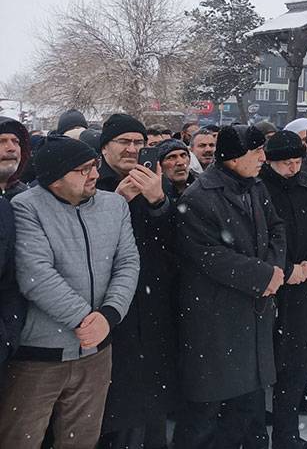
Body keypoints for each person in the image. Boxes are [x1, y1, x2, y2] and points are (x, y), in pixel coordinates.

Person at [0, 136, 139, 449]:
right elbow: (34, 273)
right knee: (20, 439)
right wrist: (83, 317)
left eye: (93, 166)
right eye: (82, 170)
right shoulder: (25, 206)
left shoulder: (113, 205)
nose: (93, 175)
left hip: (96, 352)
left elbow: (128, 262)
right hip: (37, 355)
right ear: (54, 179)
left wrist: (109, 315)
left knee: (81, 440)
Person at [173, 125, 287, 449]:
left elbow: (277, 227)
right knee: (206, 414)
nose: (264, 159)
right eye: (257, 152)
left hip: (253, 316)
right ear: (234, 158)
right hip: (216, 320)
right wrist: (262, 276)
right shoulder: (199, 197)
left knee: (250, 409)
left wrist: (275, 269)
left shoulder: (254, 186)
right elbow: (208, 255)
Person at [95, 115, 179, 449]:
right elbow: (92, 245)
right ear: (104, 148)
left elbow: (175, 240)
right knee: (117, 396)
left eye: (138, 142)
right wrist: (119, 202)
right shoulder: (92, 184)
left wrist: (159, 202)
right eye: (124, 142)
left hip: (154, 298)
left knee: (153, 392)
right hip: (111, 302)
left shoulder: (153, 180)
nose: (132, 149)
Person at [259, 130, 307, 449]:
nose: (293, 168)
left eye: (298, 161)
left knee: (296, 363)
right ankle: (256, 432)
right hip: (268, 286)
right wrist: (285, 270)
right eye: (286, 163)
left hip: (303, 283)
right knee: (261, 363)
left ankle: (287, 434)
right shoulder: (258, 188)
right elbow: (260, 238)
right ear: (270, 162)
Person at [0, 117, 30, 368]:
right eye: (2, 141)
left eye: (15, 141)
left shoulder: (29, 199)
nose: (11, 148)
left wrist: (10, 334)